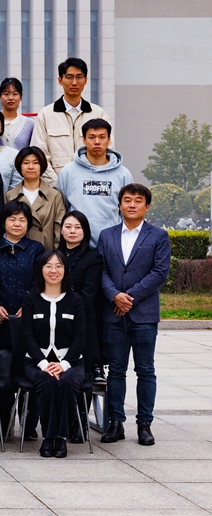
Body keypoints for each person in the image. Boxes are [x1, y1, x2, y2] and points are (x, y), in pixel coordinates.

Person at [98, 183, 170, 447]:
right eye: (127, 200)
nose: (132, 204)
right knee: (116, 371)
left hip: (144, 315)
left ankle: (144, 424)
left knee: (145, 370)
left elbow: (159, 272)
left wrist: (128, 298)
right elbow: (101, 270)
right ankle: (115, 423)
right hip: (113, 314)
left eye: (138, 200)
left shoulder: (158, 236)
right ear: (119, 205)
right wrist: (114, 295)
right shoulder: (107, 235)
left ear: (147, 206)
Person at [22, 250, 87, 458]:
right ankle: (48, 438)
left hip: (71, 361)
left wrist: (64, 364)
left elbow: (80, 337)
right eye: (48, 266)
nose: (53, 271)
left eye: (58, 266)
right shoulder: (31, 299)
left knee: (67, 382)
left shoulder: (75, 300)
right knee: (47, 381)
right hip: (36, 361)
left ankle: (61, 438)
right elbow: (28, 336)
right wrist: (43, 364)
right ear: (41, 270)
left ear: (65, 270)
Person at [0, 200, 46, 435]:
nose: (17, 224)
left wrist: (30, 304)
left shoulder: (37, 249)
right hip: (0, 322)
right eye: (12, 219)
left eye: (22, 219)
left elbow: (41, 281)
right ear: (3, 222)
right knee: (4, 375)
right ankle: (4, 426)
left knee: (30, 371)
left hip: (29, 322)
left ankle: (29, 426)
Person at [31, 58, 113, 184]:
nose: (74, 82)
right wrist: (57, 186)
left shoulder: (98, 113)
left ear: (86, 80)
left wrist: (92, 184)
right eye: (69, 77)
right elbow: (39, 156)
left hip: (91, 186)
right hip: (55, 188)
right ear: (60, 80)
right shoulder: (45, 115)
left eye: (79, 77)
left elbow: (108, 151)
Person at [57, 119, 133, 247]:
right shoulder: (68, 172)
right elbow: (61, 209)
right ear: (84, 140)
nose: (97, 141)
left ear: (109, 139)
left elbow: (127, 212)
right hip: (76, 246)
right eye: (91, 137)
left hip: (112, 246)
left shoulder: (123, 174)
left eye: (102, 137)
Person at [59, 211, 105, 385]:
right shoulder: (54, 256)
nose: (72, 231)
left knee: (81, 376)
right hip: (55, 320)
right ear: (61, 230)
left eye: (78, 227)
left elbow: (88, 294)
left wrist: (66, 310)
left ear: (85, 231)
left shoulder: (93, 258)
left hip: (82, 318)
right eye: (68, 226)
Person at [4, 146, 66, 251]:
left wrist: (55, 255)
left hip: (47, 254)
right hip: (18, 254)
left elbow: (59, 229)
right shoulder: (10, 196)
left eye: (35, 163)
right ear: (19, 166)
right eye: (26, 163)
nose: (31, 167)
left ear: (42, 166)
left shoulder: (55, 196)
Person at [0, 78, 34, 151]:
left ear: (21, 97)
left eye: (15, 94)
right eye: (6, 94)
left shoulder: (30, 124)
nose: (10, 98)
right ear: (0, 97)